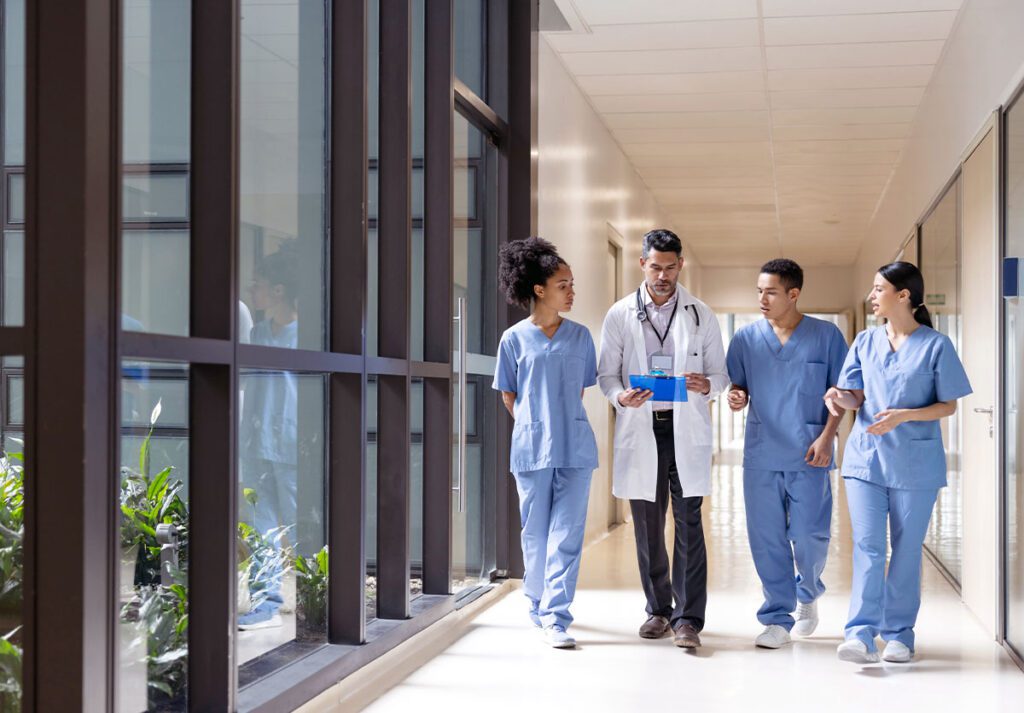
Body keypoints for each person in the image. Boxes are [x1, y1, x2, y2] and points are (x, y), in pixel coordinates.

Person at [825, 261, 972, 664]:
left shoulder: (936, 345)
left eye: (878, 289)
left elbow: (948, 406)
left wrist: (905, 414)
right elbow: (856, 396)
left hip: (915, 464)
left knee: (906, 550)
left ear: (902, 295)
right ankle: (859, 633)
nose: (873, 297)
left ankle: (899, 634)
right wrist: (840, 398)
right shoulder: (865, 341)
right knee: (868, 547)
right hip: (866, 461)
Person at [597, 228, 728, 649]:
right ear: (642, 264)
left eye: (671, 267)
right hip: (642, 426)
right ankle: (658, 610)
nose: (663, 275)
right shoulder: (619, 314)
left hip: (684, 426)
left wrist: (706, 383)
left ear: (680, 265)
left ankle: (688, 619)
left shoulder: (700, 314)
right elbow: (606, 375)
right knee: (648, 525)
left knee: (689, 522)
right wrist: (621, 396)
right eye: (656, 266)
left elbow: (721, 375)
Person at [725, 259, 848, 649]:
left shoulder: (826, 337)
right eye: (759, 291)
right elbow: (738, 387)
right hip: (762, 452)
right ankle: (777, 616)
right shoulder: (745, 339)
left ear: (793, 294)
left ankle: (808, 591)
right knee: (767, 538)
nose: (762, 298)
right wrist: (735, 397)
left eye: (771, 291)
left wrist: (828, 437)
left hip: (811, 449)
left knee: (810, 534)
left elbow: (841, 395)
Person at [493, 237, 599, 649]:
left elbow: (578, 391)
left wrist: (559, 422)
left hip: (575, 446)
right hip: (532, 448)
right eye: (563, 284)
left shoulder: (581, 337)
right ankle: (535, 601)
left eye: (572, 283)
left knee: (568, 533)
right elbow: (508, 393)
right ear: (539, 289)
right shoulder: (514, 339)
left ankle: (557, 616)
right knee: (534, 533)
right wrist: (532, 425)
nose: (572, 291)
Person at [238, 242, 300, 630]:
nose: (251, 291)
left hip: (293, 449)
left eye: (257, 284)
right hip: (257, 446)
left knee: (299, 527)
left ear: (277, 290)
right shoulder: (258, 332)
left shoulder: (306, 334)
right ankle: (266, 603)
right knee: (261, 529)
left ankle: (322, 593)